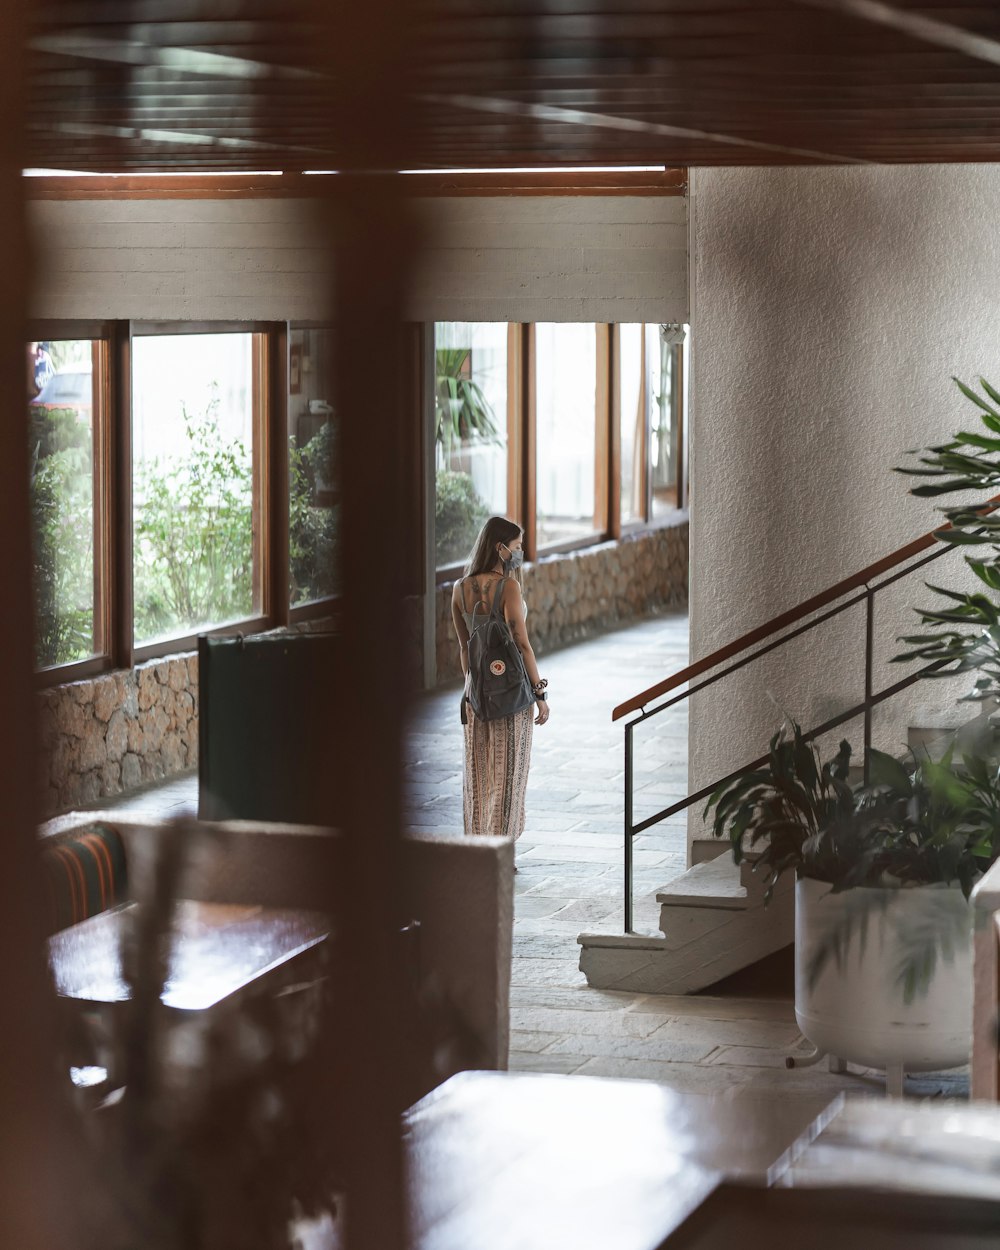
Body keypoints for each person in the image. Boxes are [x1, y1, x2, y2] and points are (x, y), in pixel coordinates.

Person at [452, 516, 550, 845]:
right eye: (518, 548)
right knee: (508, 773)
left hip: (476, 694)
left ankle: (478, 846)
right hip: (510, 695)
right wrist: (539, 692)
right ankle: (501, 850)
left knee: (478, 775)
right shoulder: (509, 587)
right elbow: (521, 643)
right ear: (501, 548)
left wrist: (472, 689)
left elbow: (465, 648)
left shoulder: (460, 588)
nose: (520, 554)